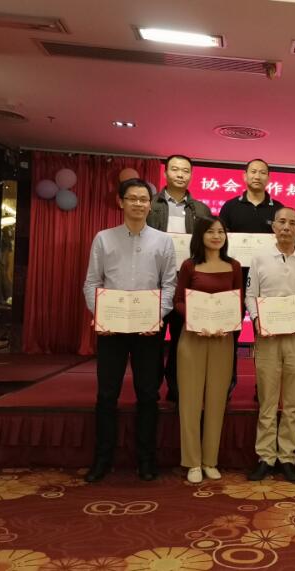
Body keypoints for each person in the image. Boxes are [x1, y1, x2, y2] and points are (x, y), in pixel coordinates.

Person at [82, 178, 177, 482]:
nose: (138, 203)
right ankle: (102, 459)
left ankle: (146, 460)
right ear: (121, 202)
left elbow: (169, 285)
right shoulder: (104, 238)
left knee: (148, 394)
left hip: (147, 330)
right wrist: (100, 315)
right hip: (111, 329)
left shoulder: (163, 241)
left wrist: (157, 317)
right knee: (106, 394)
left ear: (150, 205)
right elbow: (92, 282)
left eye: (143, 199)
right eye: (132, 198)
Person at [245, 207, 295, 482]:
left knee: (292, 402)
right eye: (282, 222)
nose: (287, 227)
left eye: (292, 223)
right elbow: (250, 295)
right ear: (274, 226)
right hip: (268, 337)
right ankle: (265, 456)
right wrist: (256, 319)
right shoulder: (259, 258)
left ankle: (287, 457)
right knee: (267, 400)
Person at [173, 216, 242, 483]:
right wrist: (195, 320)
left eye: (221, 232)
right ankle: (192, 462)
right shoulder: (189, 265)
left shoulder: (234, 266)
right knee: (190, 400)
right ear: (200, 236)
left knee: (216, 400)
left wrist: (229, 323)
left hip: (223, 338)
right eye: (211, 232)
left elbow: (237, 302)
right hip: (193, 336)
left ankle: (210, 460)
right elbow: (179, 300)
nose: (216, 236)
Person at [147, 154, 212, 403]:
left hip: (186, 284)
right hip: (155, 283)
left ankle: (176, 387)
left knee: (181, 339)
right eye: (175, 169)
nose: (180, 174)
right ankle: (150, 387)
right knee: (153, 338)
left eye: (185, 170)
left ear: (191, 175)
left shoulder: (201, 209)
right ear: (165, 173)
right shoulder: (151, 204)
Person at [219, 159, 284, 400]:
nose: (257, 176)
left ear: (269, 178)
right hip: (234, 279)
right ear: (244, 176)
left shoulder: (278, 209)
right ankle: (225, 386)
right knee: (229, 335)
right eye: (253, 171)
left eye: (263, 172)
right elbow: (220, 241)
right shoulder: (230, 207)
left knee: (266, 336)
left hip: (268, 282)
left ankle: (264, 389)